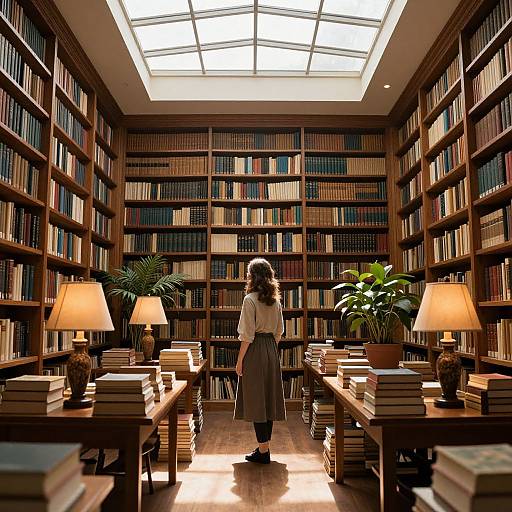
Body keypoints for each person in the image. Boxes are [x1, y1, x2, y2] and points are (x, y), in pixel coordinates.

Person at [234, 257, 286, 464]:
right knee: (268, 399)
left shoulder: (249, 300)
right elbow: (279, 333)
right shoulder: (276, 301)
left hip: (254, 350)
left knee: (257, 400)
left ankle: (263, 452)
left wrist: (240, 361)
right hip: (271, 349)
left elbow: (247, 335)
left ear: (252, 277)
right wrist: (270, 352)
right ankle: (264, 448)